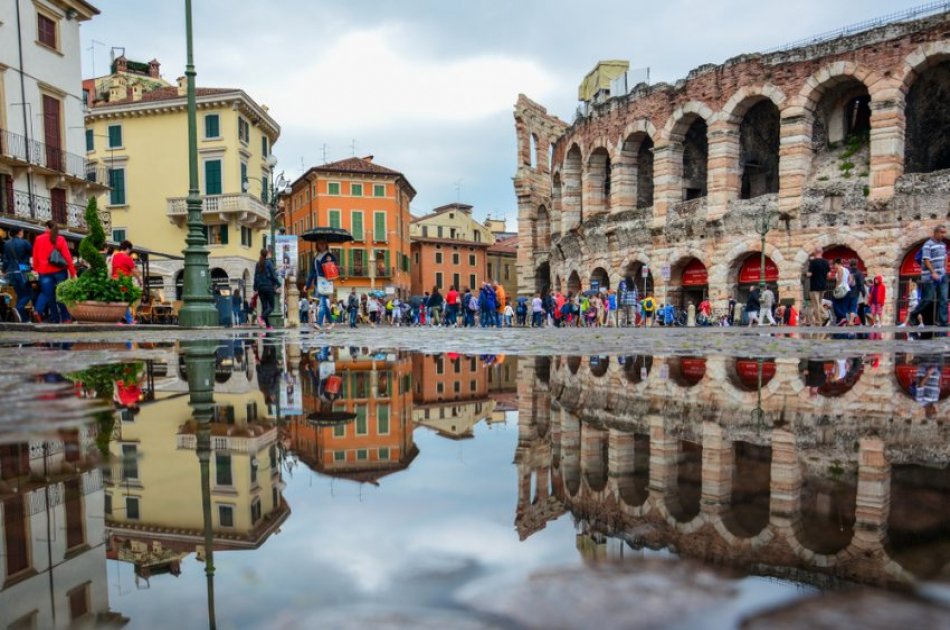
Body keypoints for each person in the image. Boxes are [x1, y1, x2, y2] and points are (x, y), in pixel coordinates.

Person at [32, 221, 77, 323]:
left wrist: (36, 268)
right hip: (59, 270)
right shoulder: (60, 239)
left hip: (44, 271)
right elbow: (67, 257)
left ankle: (51, 317)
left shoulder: (38, 239)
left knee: (49, 295)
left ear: (47, 227)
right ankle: (65, 318)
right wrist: (73, 273)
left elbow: (35, 256)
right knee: (61, 294)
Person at [912, 225, 947, 327]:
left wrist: (944, 270)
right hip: (930, 276)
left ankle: (943, 322)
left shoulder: (943, 245)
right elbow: (926, 260)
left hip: (942, 275)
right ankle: (913, 314)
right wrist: (933, 272)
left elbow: (945, 257)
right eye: (941, 232)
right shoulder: (928, 245)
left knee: (944, 299)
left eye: (944, 232)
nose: (943, 235)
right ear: (935, 233)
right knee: (928, 299)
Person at [2, 227, 33, 321]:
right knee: (29, 293)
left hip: (11, 272)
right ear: (20, 232)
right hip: (24, 270)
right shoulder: (25, 242)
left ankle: (24, 320)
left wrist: (3, 270)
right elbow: (33, 254)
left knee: (20, 295)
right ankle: (18, 308)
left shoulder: (6, 244)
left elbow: (5, 260)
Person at [305, 240, 337, 330]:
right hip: (318, 283)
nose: (322, 245)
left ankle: (319, 323)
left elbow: (333, 268)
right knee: (324, 304)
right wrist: (307, 285)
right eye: (320, 243)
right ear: (317, 245)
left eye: (323, 243)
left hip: (326, 282)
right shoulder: (316, 256)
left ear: (326, 244)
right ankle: (332, 322)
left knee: (322, 303)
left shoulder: (329, 256)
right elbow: (312, 272)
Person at [111, 240, 143, 324]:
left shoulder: (114, 256)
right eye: (130, 250)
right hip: (124, 282)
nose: (129, 252)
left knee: (118, 301)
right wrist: (139, 280)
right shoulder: (127, 258)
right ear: (128, 249)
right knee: (124, 301)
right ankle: (126, 320)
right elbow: (134, 271)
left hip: (114, 281)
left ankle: (125, 320)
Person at [253, 248, 280, 330]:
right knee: (271, 306)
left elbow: (255, 276)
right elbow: (273, 275)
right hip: (268, 287)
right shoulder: (269, 263)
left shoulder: (258, 264)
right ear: (267, 254)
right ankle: (261, 317)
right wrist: (278, 283)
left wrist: (255, 287)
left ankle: (268, 326)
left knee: (265, 307)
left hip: (260, 288)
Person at [805, 248, 830, 326]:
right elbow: (828, 275)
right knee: (818, 303)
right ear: (821, 252)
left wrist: (805, 273)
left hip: (814, 286)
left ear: (815, 252)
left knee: (816, 304)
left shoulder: (813, 262)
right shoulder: (826, 262)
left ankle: (821, 319)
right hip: (823, 286)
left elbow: (809, 274)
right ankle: (822, 318)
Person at [831, 258, 851, 325]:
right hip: (847, 289)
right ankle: (842, 320)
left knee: (835, 303)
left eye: (834, 265)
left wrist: (836, 287)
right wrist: (846, 284)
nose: (834, 266)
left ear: (837, 263)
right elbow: (850, 279)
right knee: (843, 305)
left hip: (840, 289)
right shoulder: (846, 269)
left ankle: (842, 317)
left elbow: (839, 279)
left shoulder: (839, 269)